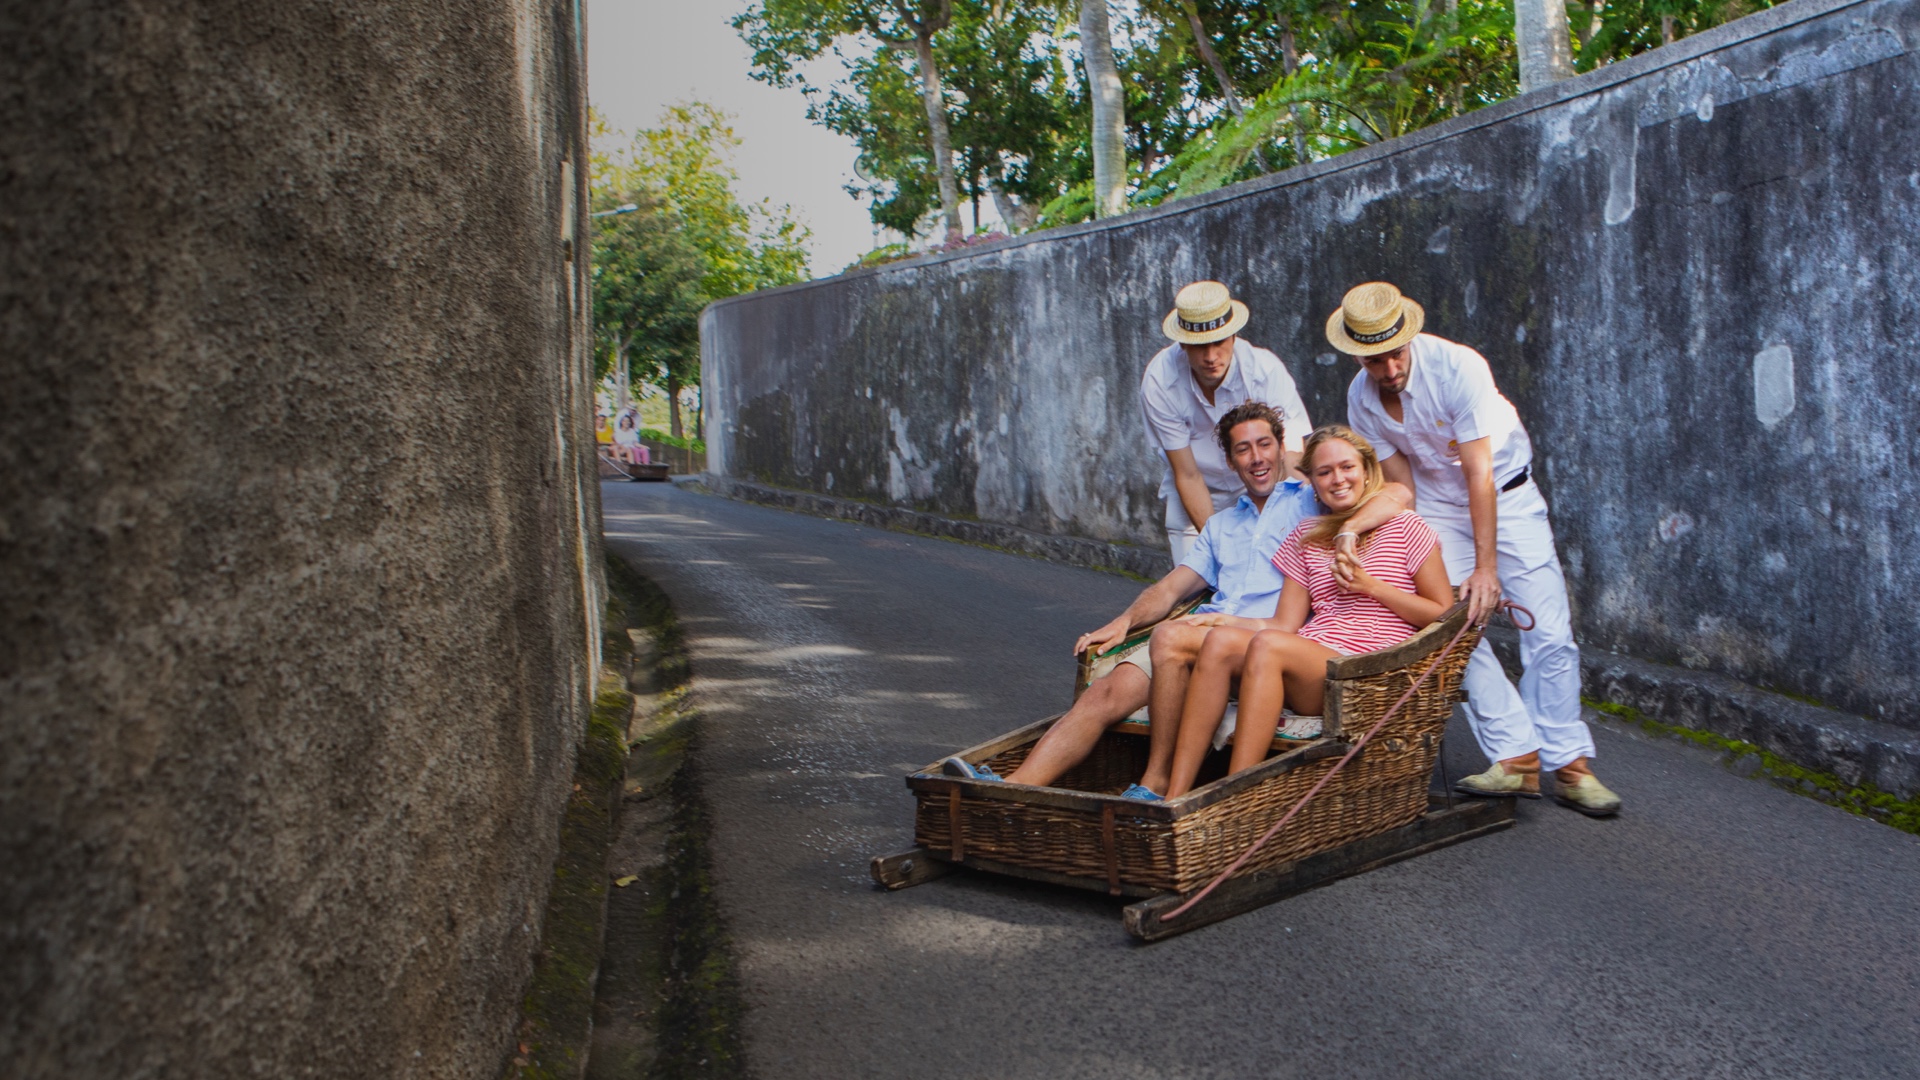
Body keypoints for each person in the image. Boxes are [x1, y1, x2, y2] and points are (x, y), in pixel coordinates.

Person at [942, 403, 1413, 799]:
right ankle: (1009, 789)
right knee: (1104, 692)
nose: (1256, 458)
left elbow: (1394, 491)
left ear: (1282, 448)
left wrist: (1348, 529)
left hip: (1259, 639)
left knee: (1170, 636)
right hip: (1202, 634)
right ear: (1230, 462)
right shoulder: (1222, 525)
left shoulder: (1311, 500)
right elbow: (1171, 589)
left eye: (1264, 444)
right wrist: (1125, 620)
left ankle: (1158, 781)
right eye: (1243, 449)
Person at [1332, 281, 1620, 816]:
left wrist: (1486, 569)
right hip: (1438, 510)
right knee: (1447, 625)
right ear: (1356, 353)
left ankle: (1572, 766)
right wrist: (1354, 529)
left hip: (1504, 495)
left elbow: (1479, 473)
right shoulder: (1360, 399)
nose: (1389, 369)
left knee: (1549, 630)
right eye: (1374, 360)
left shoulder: (1459, 368)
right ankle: (1516, 756)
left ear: (1408, 337)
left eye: (1394, 354)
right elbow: (1403, 490)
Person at [1161, 425, 1455, 796]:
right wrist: (1226, 620)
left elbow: (1442, 614)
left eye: (1347, 467)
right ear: (1312, 484)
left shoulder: (1407, 528)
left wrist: (1372, 587)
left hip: (1368, 670)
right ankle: (1175, 797)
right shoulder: (1308, 534)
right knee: (1219, 641)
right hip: (1312, 663)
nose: (1338, 479)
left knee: (1268, 645)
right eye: (1324, 472)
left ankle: (1234, 796)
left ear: (1366, 470)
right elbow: (1285, 623)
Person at [1143, 281, 1313, 565]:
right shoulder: (1160, 380)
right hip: (1194, 489)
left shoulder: (1265, 370)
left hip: (1259, 484)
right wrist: (1219, 550)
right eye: (1199, 346)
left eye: (1218, 342)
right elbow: (1187, 475)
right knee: (1197, 591)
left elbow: (1291, 456)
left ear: (1233, 335)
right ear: (1183, 343)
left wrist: (1307, 515)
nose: (1211, 357)